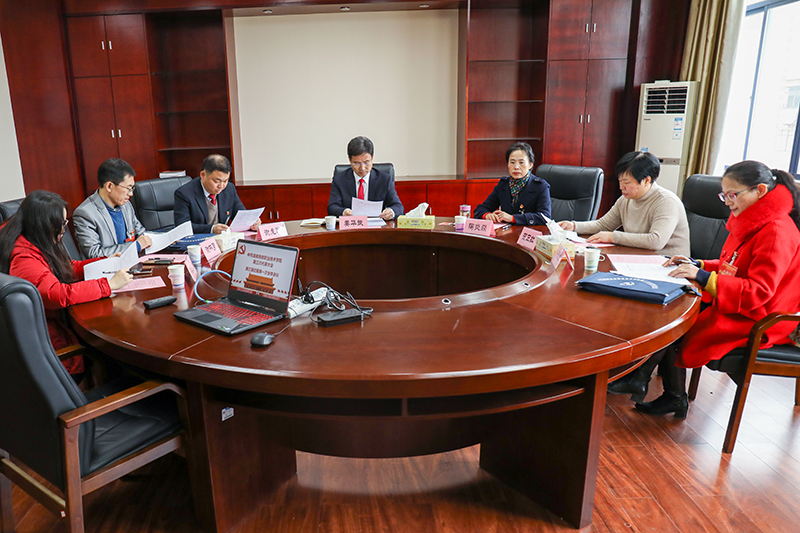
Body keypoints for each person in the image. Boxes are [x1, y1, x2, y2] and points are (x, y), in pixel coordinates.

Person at [630, 161, 800, 418]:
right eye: (724, 195)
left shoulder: (776, 230)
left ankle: (642, 379)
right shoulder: (753, 219)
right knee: (671, 308)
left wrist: (702, 276)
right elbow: (732, 266)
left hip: (763, 318)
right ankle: (655, 386)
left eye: (733, 195)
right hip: (743, 306)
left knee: (678, 319)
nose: (727, 202)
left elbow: (758, 292)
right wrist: (697, 264)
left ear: (760, 191)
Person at [0, 191, 132, 376]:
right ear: (44, 225)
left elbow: (64, 267)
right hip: (49, 342)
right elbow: (56, 294)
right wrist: (108, 285)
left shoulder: (34, 238)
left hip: (51, 326)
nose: (64, 228)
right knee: (114, 355)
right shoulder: (24, 257)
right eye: (62, 224)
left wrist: (103, 262)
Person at [558, 151, 690, 257]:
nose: (621, 187)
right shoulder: (626, 199)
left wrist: (613, 237)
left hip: (669, 265)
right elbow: (604, 225)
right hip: (638, 259)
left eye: (626, 183)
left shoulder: (666, 202)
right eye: (620, 181)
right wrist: (573, 226)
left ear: (646, 180)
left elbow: (656, 241)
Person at [73, 158, 153, 258]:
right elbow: (94, 254)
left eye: (132, 188)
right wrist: (135, 246)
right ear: (109, 186)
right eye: (128, 188)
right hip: (106, 267)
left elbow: (140, 233)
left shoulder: (126, 205)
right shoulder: (85, 213)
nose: (131, 194)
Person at [174, 154, 260, 235]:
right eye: (216, 181)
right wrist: (212, 229)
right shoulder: (184, 193)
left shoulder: (229, 189)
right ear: (203, 175)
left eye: (225, 181)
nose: (221, 186)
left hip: (223, 241)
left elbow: (241, 216)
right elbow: (182, 227)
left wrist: (252, 223)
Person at [474, 142, 551, 225]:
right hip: (506, 231)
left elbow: (545, 217)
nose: (516, 167)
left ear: (530, 165)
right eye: (512, 162)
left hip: (529, 231)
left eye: (521, 162)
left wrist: (513, 218)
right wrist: (487, 215)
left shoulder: (540, 186)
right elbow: (481, 209)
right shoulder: (503, 184)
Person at [328, 136, 404, 220]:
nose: (362, 168)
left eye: (366, 162)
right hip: (352, 225)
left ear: (372, 158)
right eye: (357, 163)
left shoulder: (384, 179)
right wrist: (343, 212)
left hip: (376, 226)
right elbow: (332, 207)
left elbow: (398, 207)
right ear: (349, 160)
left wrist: (391, 212)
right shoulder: (340, 180)